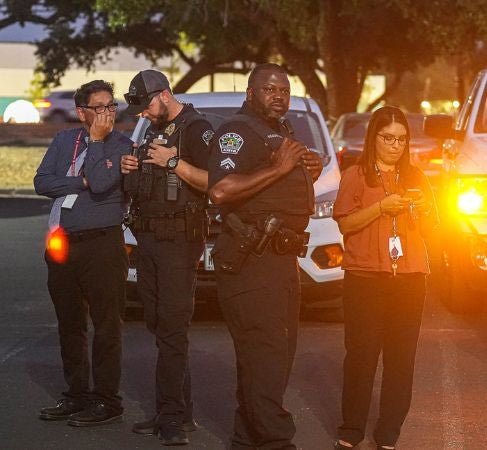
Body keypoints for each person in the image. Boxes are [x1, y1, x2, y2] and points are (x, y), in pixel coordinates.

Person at [207, 63, 322, 450]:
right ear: (251, 91)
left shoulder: (280, 132)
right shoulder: (236, 132)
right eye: (270, 89)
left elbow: (279, 187)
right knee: (267, 354)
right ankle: (275, 440)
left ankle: (246, 439)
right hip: (252, 261)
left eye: (285, 91)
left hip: (281, 261)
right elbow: (221, 190)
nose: (279, 96)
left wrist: (309, 171)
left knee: (270, 355)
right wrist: (279, 167)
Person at [332, 106, 438, 450]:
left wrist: (421, 209)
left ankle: (389, 433)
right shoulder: (356, 175)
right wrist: (381, 208)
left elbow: (433, 227)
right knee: (361, 355)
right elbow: (345, 223)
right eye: (388, 138)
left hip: (408, 277)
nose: (395, 145)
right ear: (373, 137)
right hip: (365, 276)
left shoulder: (416, 177)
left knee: (401, 358)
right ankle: (351, 431)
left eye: (401, 139)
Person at [120, 69, 214, 446]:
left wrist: (174, 162)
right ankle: (177, 410)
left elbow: (214, 182)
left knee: (173, 327)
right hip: (148, 239)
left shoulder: (197, 128)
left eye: (146, 106)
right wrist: (132, 168)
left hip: (178, 242)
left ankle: (172, 417)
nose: (142, 114)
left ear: (164, 94)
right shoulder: (151, 129)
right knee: (159, 324)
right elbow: (146, 183)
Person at [34, 80, 131, 427]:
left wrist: (97, 143)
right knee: (70, 323)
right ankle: (76, 394)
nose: (107, 113)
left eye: (111, 106)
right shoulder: (63, 140)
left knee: (106, 324)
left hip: (103, 243)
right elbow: (42, 181)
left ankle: (107, 399)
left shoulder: (122, 144)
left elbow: (104, 184)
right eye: (99, 107)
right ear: (81, 112)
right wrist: (81, 182)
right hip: (63, 242)